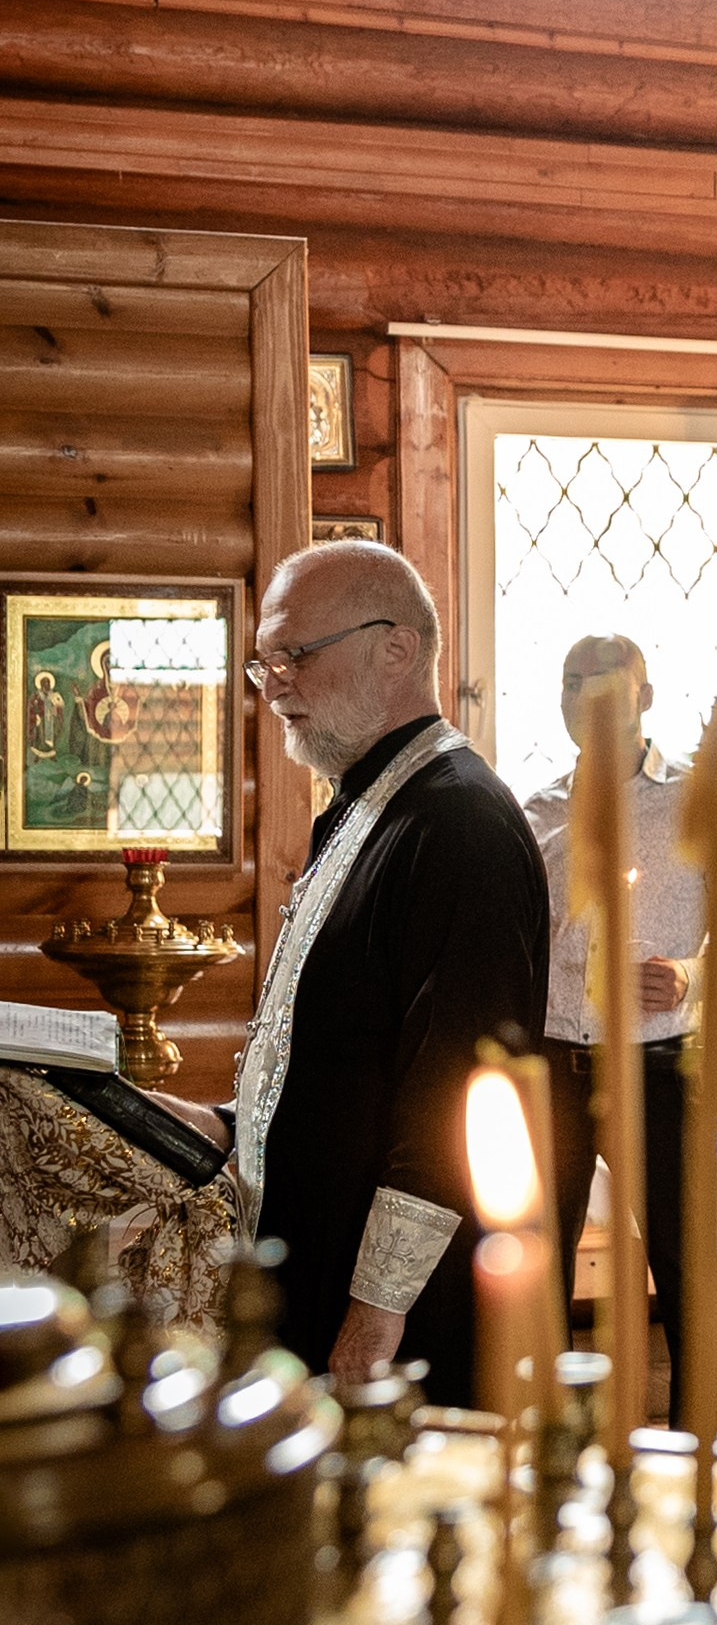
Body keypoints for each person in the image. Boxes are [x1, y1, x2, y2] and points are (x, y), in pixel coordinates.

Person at [157, 542, 549, 1396]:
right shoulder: (368, 804)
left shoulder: (461, 825)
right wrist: (226, 1122)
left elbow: (452, 1089)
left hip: (397, 1310)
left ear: (396, 649)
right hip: (316, 1263)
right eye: (266, 665)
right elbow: (343, 1052)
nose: (277, 686)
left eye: (293, 656)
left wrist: (376, 1313)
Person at [527, 634, 717, 1402]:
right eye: (572, 682)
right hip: (554, 1066)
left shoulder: (702, 796)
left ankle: (704, 1460)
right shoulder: (533, 811)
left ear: (644, 696)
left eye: (606, 683)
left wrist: (691, 978)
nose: (586, 699)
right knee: (534, 1270)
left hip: (661, 1067)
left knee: (687, 1272)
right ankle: (547, 1453)